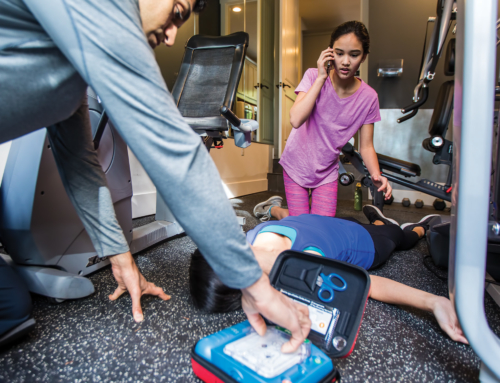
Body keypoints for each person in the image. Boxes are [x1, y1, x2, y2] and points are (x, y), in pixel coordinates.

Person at [0, 0, 310, 352]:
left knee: (10, 309)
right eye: (177, 12)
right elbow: (173, 150)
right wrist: (256, 286)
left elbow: (77, 162)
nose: (173, 36)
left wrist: (121, 260)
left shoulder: (76, 59)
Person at [190, 206, 468, 344]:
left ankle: (381, 221)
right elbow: (367, 284)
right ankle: (419, 226)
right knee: (402, 237)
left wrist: (276, 211)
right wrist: (434, 302)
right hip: (368, 245)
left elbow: (287, 219)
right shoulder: (301, 265)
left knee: (382, 229)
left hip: (339, 226)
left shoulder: (255, 238)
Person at [254, 21, 391, 222]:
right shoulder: (312, 76)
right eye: (339, 53)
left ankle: (274, 209)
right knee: (301, 225)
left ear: (363, 57)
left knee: (320, 227)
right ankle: (273, 210)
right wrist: (320, 78)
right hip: (296, 164)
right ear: (329, 53)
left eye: (354, 55)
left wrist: (377, 175)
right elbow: (295, 119)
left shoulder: (369, 97)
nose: (345, 61)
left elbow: (367, 146)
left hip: (326, 170)